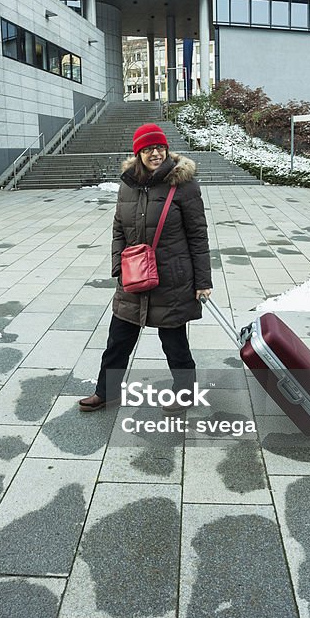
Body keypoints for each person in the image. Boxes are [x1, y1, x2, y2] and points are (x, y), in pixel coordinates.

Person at [79, 122, 212, 413]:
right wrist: (119, 267)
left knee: (174, 343)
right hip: (134, 277)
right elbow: (118, 229)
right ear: (138, 153)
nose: (155, 153)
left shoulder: (183, 184)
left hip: (171, 279)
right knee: (117, 341)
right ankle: (106, 392)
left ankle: (185, 393)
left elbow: (198, 235)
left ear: (166, 148)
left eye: (159, 147)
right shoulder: (128, 184)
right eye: (148, 149)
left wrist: (203, 281)